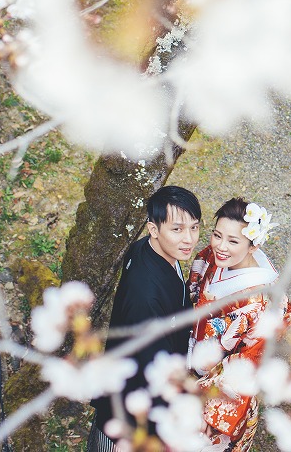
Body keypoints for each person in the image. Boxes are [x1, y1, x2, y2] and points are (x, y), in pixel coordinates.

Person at [88, 185, 201, 450]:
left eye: (194, 227)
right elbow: (154, 370)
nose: (189, 239)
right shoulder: (146, 297)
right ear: (154, 229)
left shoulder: (147, 249)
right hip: (132, 410)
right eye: (177, 229)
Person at [188, 198, 291, 452]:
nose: (221, 247)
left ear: (253, 246)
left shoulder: (262, 303)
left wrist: (209, 409)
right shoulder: (216, 257)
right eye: (217, 235)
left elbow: (247, 364)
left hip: (216, 388)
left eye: (233, 241)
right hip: (190, 361)